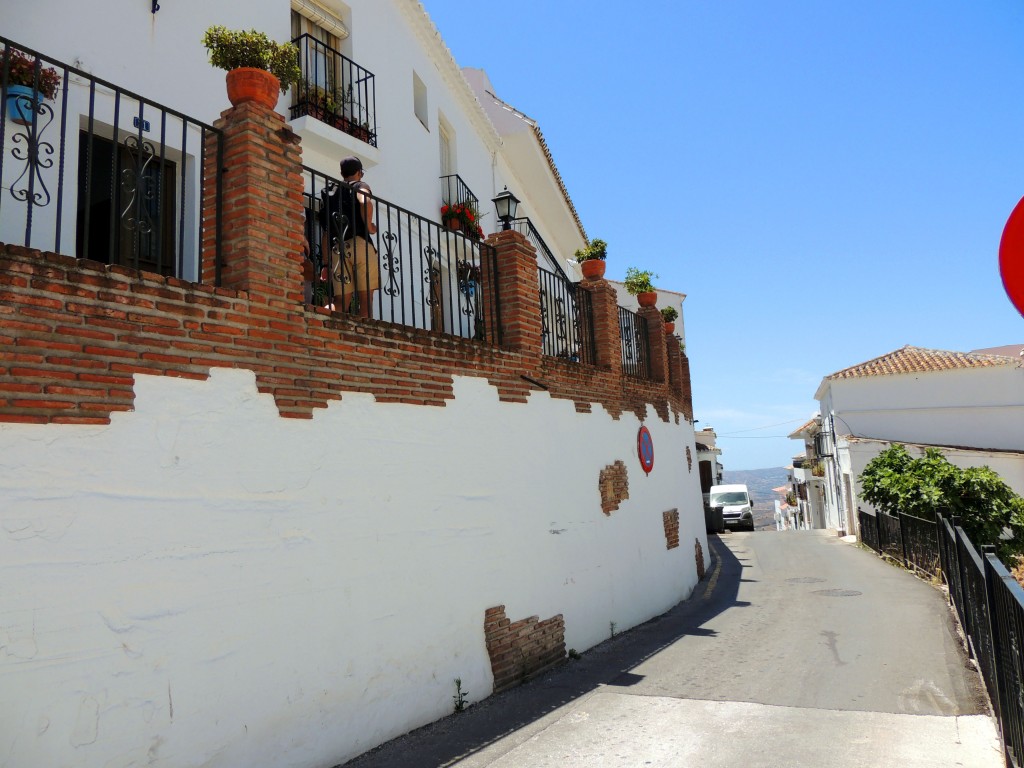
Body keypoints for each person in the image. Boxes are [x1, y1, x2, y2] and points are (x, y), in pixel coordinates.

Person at [320, 156, 380, 318]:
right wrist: (369, 226)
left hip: (337, 249)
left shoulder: (329, 192)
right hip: (360, 244)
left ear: (342, 173)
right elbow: (365, 200)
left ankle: (322, 318)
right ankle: (365, 331)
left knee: (340, 301)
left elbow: (326, 232)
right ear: (359, 172)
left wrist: (325, 264)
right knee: (366, 300)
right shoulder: (360, 185)